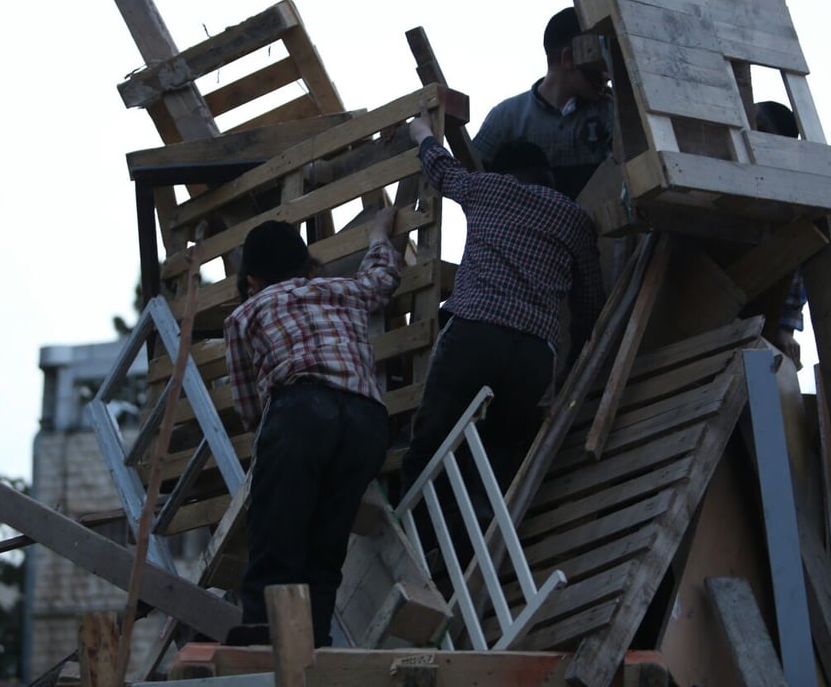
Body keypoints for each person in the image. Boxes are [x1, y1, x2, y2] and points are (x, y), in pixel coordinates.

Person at [400, 111, 606, 537]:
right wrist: (568, 368)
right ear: (547, 176)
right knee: (497, 454)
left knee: (433, 440)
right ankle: (475, 552)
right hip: (533, 354)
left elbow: (441, 167)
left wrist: (420, 131)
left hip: (474, 333)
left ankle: (410, 542)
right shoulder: (575, 219)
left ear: (505, 172)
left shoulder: (487, 188)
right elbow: (589, 309)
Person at [224, 208, 400, 647]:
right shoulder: (345, 289)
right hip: (367, 421)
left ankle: (267, 643)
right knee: (326, 549)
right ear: (307, 265)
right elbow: (383, 276)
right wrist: (378, 232)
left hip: (300, 411)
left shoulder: (245, 316)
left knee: (275, 533)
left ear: (251, 281)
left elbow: (250, 410)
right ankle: (313, 647)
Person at [472, 6, 613, 200]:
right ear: (569, 58)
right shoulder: (507, 117)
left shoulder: (611, 110)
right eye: (596, 59)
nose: (607, 75)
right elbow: (471, 178)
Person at [754, 100, 808, 369]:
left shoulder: (787, 195)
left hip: (756, 314)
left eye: (761, 128)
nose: (751, 132)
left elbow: (798, 258)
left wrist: (786, 329)